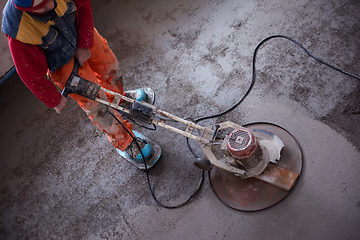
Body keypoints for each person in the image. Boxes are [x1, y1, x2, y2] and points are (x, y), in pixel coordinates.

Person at [1, 0, 157, 165]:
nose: (51, 6)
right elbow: (28, 70)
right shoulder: (16, 28)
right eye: (42, 7)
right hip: (59, 62)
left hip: (82, 34)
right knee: (95, 102)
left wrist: (84, 43)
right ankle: (124, 141)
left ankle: (119, 99)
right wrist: (52, 99)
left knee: (110, 67)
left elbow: (83, 7)